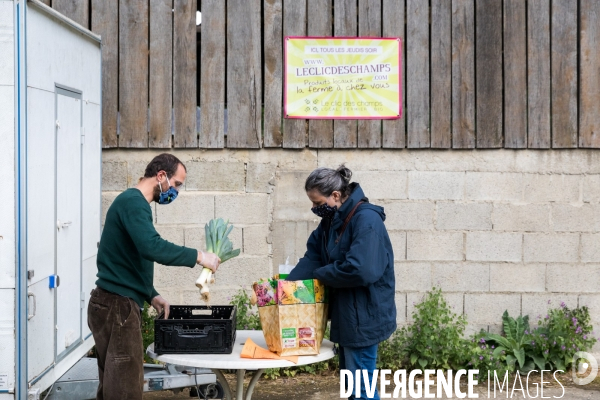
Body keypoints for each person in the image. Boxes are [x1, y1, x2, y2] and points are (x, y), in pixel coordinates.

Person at [88, 153, 220, 400]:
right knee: (124, 390)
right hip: (118, 307)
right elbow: (152, 247)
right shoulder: (134, 202)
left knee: (112, 387)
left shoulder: (133, 203)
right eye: (177, 184)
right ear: (161, 176)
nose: (176, 192)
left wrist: (151, 294)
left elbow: (127, 258)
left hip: (110, 302)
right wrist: (200, 256)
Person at [287, 165, 396, 400]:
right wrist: (287, 287)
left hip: (362, 318)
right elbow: (313, 256)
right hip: (348, 316)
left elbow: (361, 269)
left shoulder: (366, 220)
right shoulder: (331, 222)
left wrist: (321, 274)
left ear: (335, 195)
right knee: (352, 388)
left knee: (361, 390)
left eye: (317, 203)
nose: (315, 208)